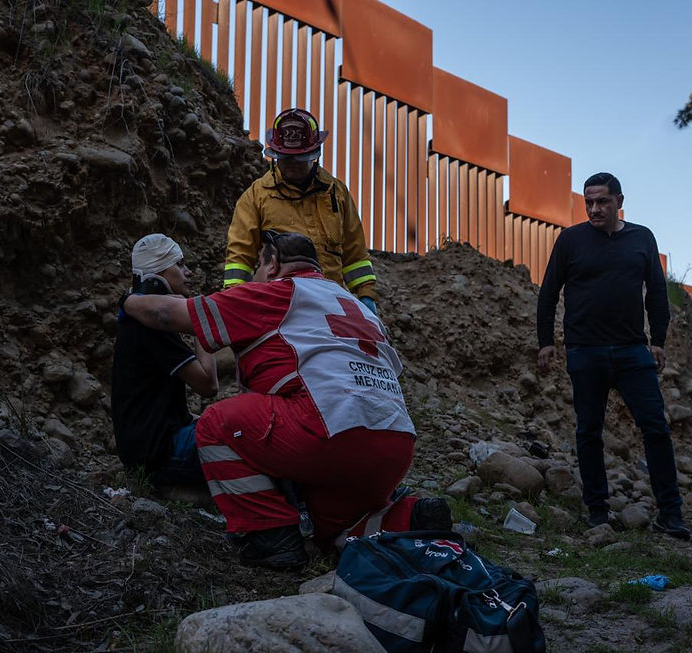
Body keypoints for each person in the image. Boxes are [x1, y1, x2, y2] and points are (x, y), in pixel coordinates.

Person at [123, 231, 449, 569]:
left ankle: (271, 535)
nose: (252, 277)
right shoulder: (352, 303)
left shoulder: (272, 294)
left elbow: (164, 314)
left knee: (218, 423)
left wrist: (128, 299)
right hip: (394, 441)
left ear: (273, 265)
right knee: (333, 530)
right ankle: (407, 517)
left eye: (256, 268)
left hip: (329, 431)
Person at [536, 172, 689, 540]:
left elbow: (656, 292)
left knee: (655, 428)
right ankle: (598, 511)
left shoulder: (642, 238)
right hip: (585, 351)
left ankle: (671, 514)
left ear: (619, 202)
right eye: (588, 202)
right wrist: (546, 341)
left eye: (602, 201)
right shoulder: (571, 240)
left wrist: (659, 340)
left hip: (632, 350)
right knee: (589, 431)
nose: (594, 209)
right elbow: (548, 291)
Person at [223, 108, 379, 314]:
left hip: (331, 304)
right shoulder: (256, 197)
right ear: (276, 155)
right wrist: (234, 301)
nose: (293, 165)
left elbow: (355, 254)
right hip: (280, 306)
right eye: (287, 159)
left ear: (314, 154)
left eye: (300, 158)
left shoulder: (336, 193)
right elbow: (240, 258)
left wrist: (366, 296)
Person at [111, 234, 218, 486]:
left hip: (146, 451)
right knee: (244, 434)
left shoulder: (136, 323)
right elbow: (208, 385)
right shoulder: (152, 327)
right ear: (158, 275)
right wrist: (203, 323)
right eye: (179, 265)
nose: (188, 272)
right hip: (160, 455)